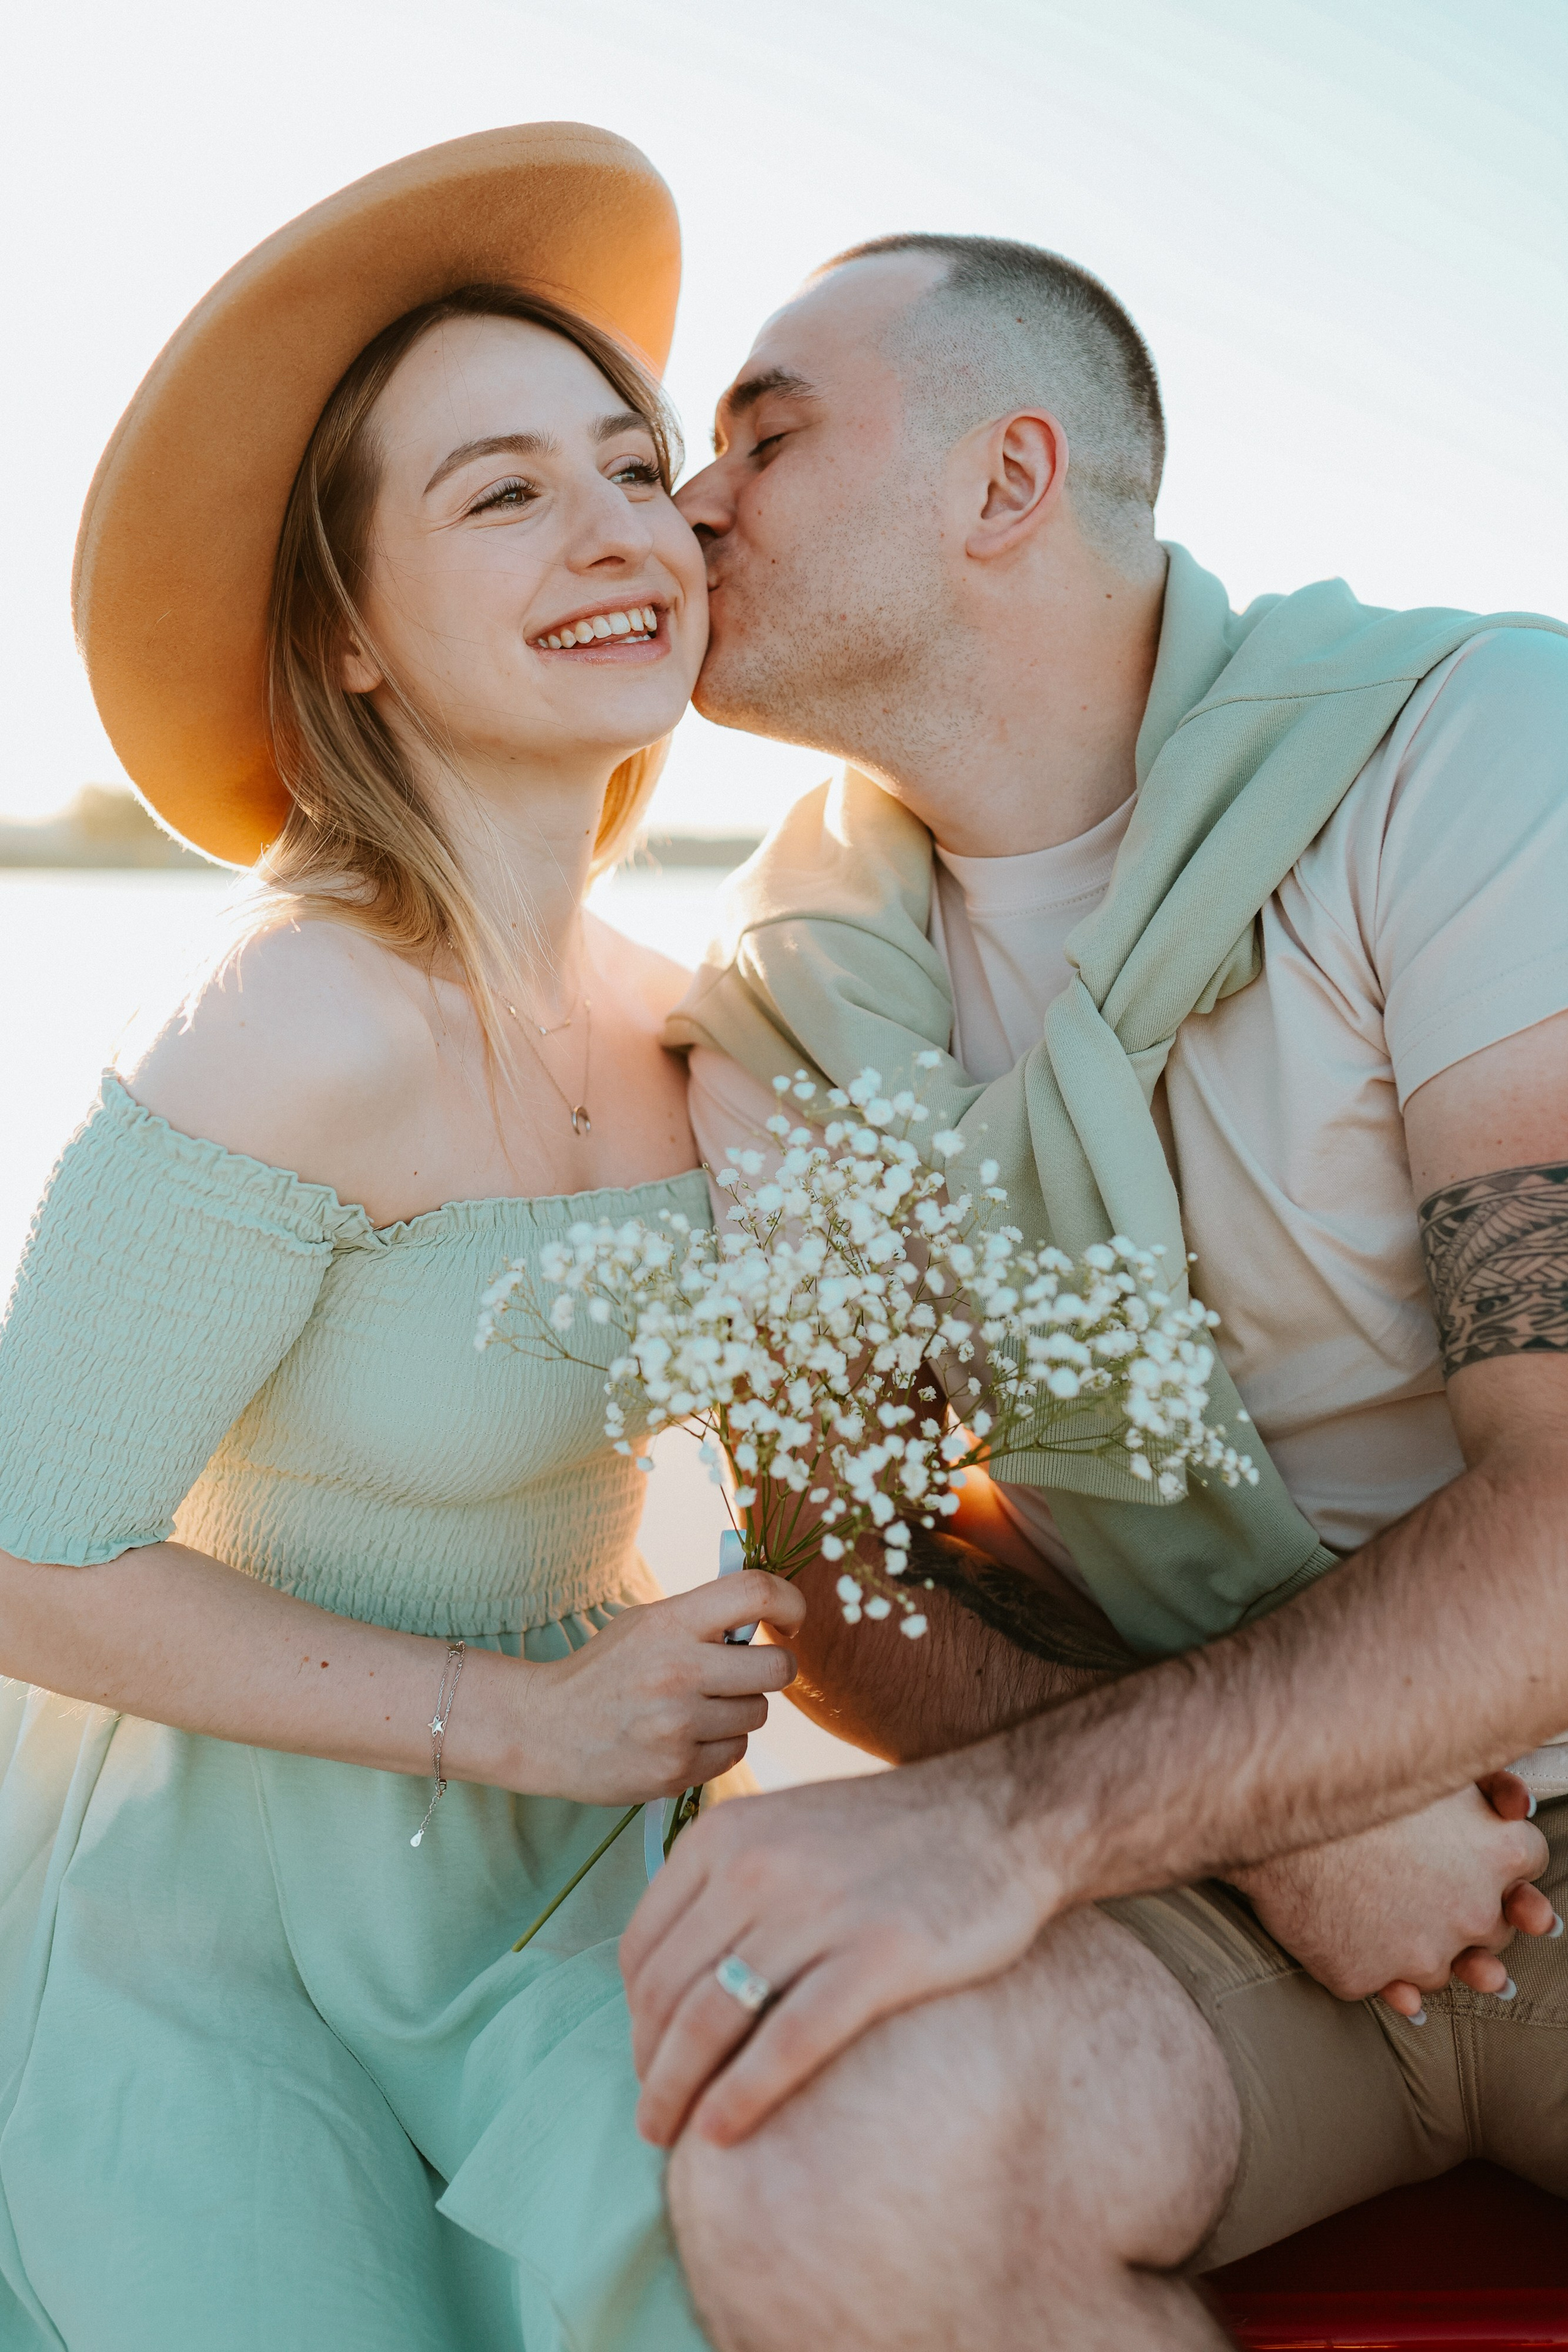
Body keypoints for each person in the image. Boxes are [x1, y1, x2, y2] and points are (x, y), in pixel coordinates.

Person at [619, 234, 1568, 2350]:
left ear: (1006, 480)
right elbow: (843, 1572)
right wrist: (1258, 1825)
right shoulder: (792, 996)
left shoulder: (1471, 754)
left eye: (763, 437)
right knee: (814, 2162)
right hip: (1217, 1882)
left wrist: (1026, 1826)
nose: (687, 505)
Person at [0, 126, 801, 2351]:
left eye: (629, 464)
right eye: (501, 493)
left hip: (566, 1900)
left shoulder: (705, 1024)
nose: (616, 525)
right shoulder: (295, 1021)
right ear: (349, 635)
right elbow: (20, 1552)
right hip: (238, 1923)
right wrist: (512, 1725)